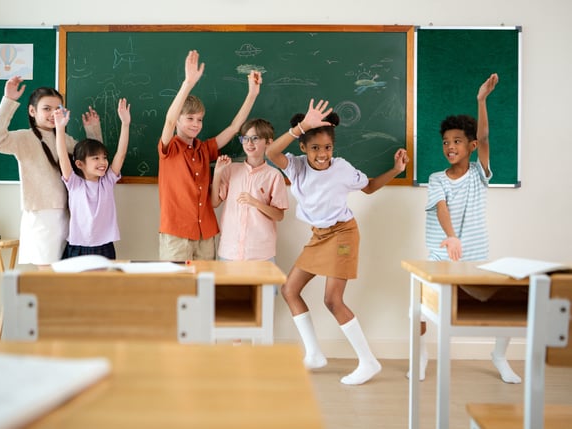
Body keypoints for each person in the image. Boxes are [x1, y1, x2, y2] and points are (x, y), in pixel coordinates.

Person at [266, 99, 409, 385]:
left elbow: (367, 187)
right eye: (316, 148)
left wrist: (394, 170)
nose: (323, 154)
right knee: (289, 290)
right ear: (303, 147)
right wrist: (301, 127)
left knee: (332, 299)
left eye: (328, 148)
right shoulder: (295, 168)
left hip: (343, 234)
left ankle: (368, 362)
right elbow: (271, 152)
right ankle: (314, 354)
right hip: (319, 236)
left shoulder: (342, 168)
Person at [416, 73, 521, 384]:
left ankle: (499, 355)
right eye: (446, 142)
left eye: (458, 141)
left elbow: (486, 138)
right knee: (420, 309)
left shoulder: (479, 173)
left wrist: (481, 100)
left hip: (475, 255)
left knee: (505, 305)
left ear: (472, 146)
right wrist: (450, 237)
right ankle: (421, 355)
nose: (450, 146)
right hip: (441, 253)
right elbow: (441, 207)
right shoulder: (436, 178)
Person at [0, 76, 102, 268]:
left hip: (69, 213)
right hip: (42, 215)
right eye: (46, 108)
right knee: (48, 273)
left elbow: (94, 160)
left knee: (67, 273)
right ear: (32, 111)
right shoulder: (24, 138)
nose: (53, 113)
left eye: (58, 109)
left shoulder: (63, 138)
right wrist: (8, 101)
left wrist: (93, 130)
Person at [158, 50, 261, 261]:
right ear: (178, 119)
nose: (196, 124)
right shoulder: (170, 149)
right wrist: (188, 83)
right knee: (175, 289)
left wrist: (252, 94)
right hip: (177, 234)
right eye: (190, 118)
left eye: (200, 119)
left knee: (205, 289)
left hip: (205, 232)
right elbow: (168, 121)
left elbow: (234, 128)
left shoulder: (204, 149)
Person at [54, 98, 131, 260]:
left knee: (105, 285)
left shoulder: (107, 181)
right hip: (78, 245)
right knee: (74, 286)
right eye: (96, 158)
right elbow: (62, 155)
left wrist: (125, 124)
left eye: (104, 157)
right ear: (80, 164)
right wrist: (60, 128)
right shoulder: (74, 183)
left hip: (104, 246)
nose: (103, 162)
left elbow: (121, 154)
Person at [211, 118, 288, 261]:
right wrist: (217, 173)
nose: (249, 143)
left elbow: (279, 215)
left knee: (264, 284)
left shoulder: (274, 175)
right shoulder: (231, 170)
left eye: (255, 138)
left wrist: (256, 203)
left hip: (260, 253)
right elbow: (214, 202)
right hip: (230, 250)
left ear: (269, 142)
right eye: (245, 138)